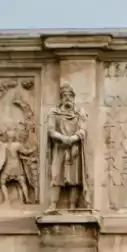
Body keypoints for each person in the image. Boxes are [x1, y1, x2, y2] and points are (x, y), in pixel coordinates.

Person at [46, 83, 87, 211]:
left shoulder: (80, 113)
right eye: (64, 95)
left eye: (70, 95)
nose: (67, 98)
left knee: (74, 179)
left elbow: (83, 129)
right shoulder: (54, 113)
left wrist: (73, 138)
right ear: (61, 98)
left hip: (74, 148)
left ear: (73, 97)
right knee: (56, 176)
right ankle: (53, 205)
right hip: (60, 148)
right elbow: (51, 130)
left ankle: (72, 206)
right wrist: (63, 138)